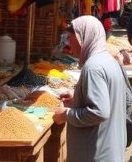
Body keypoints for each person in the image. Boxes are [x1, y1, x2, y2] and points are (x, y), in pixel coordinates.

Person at [55, 16, 128, 162]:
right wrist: (78, 100)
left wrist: (66, 114)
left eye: (71, 37)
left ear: (84, 36)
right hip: (111, 151)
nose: (69, 43)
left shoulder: (93, 67)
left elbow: (99, 111)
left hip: (96, 154)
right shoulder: (109, 61)